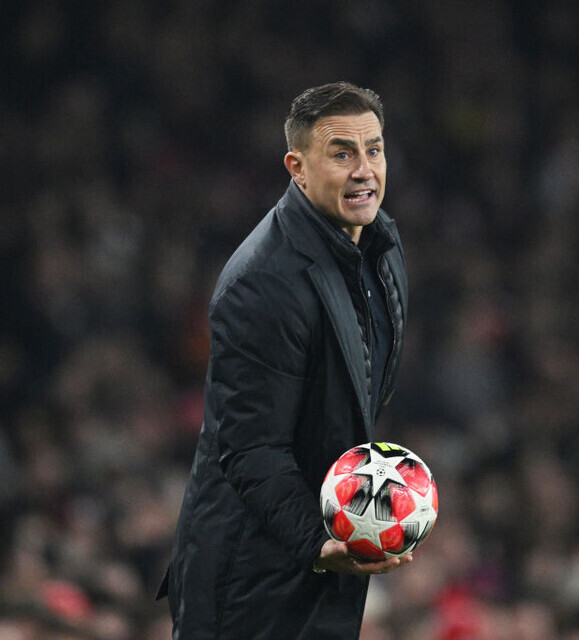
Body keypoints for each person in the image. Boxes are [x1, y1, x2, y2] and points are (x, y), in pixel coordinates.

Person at [157, 82, 411, 638]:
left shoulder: (380, 251)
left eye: (374, 149)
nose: (364, 169)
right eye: (342, 153)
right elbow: (251, 448)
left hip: (319, 555)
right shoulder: (263, 284)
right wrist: (320, 543)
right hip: (249, 574)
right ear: (297, 167)